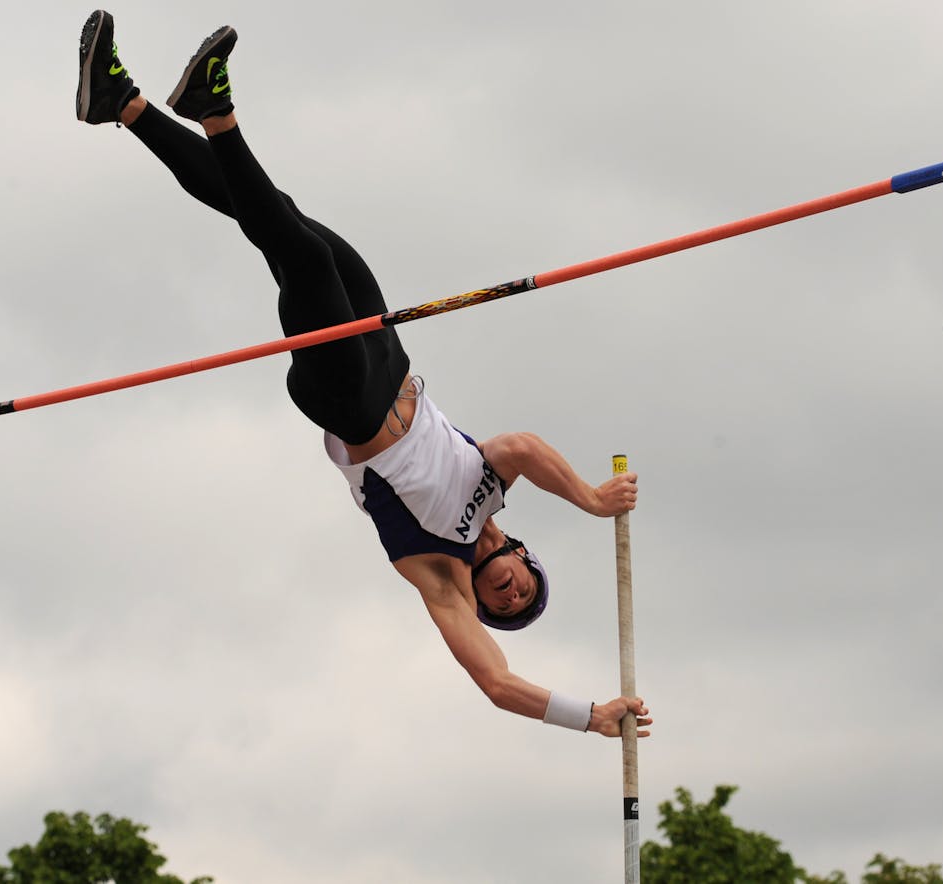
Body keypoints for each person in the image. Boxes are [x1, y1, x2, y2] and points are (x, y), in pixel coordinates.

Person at [76, 11, 651, 738]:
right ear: (523, 556)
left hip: (349, 402)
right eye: (524, 589)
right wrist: (595, 503)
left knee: (301, 254)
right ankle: (120, 103)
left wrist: (589, 716)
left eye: (505, 607)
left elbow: (497, 685)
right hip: (391, 359)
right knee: (281, 220)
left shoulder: (436, 574)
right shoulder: (492, 482)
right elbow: (527, 448)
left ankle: (216, 113)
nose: (510, 594)